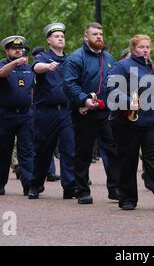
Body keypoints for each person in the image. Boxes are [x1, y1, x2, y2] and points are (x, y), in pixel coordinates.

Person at [107, 34, 154, 210]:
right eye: (141, 47)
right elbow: (110, 88)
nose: (145, 50)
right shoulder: (122, 66)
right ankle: (127, 198)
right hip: (128, 122)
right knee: (128, 159)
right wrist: (127, 100)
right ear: (133, 49)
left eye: (148, 47)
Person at [63, 22, 120, 204]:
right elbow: (69, 84)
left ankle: (115, 189)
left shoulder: (109, 58)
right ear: (86, 37)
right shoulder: (75, 58)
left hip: (106, 113)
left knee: (113, 150)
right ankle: (82, 190)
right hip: (85, 112)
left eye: (101, 34)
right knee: (84, 152)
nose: (99, 37)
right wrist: (83, 99)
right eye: (95, 34)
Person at [27, 23, 76, 199]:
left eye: (62, 36)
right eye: (56, 36)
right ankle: (36, 184)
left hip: (66, 111)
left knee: (69, 149)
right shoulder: (43, 58)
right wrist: (47, 67)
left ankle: (69, 187)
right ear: (49, 40)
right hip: (46, 112)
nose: (60, 38)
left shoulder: (71, 60)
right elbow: (36, 68)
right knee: (43, 150)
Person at [0, 35, 34, 196]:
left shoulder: (28, 67)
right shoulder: (2, 65)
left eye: (20, 48)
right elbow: (1, 74)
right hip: (6, 115)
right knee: (4, 150)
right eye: (14, 48)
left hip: (25, 114)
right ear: (7, 51)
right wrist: (15, 63)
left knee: (26, 150)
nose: (18, 51)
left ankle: (28, 184)